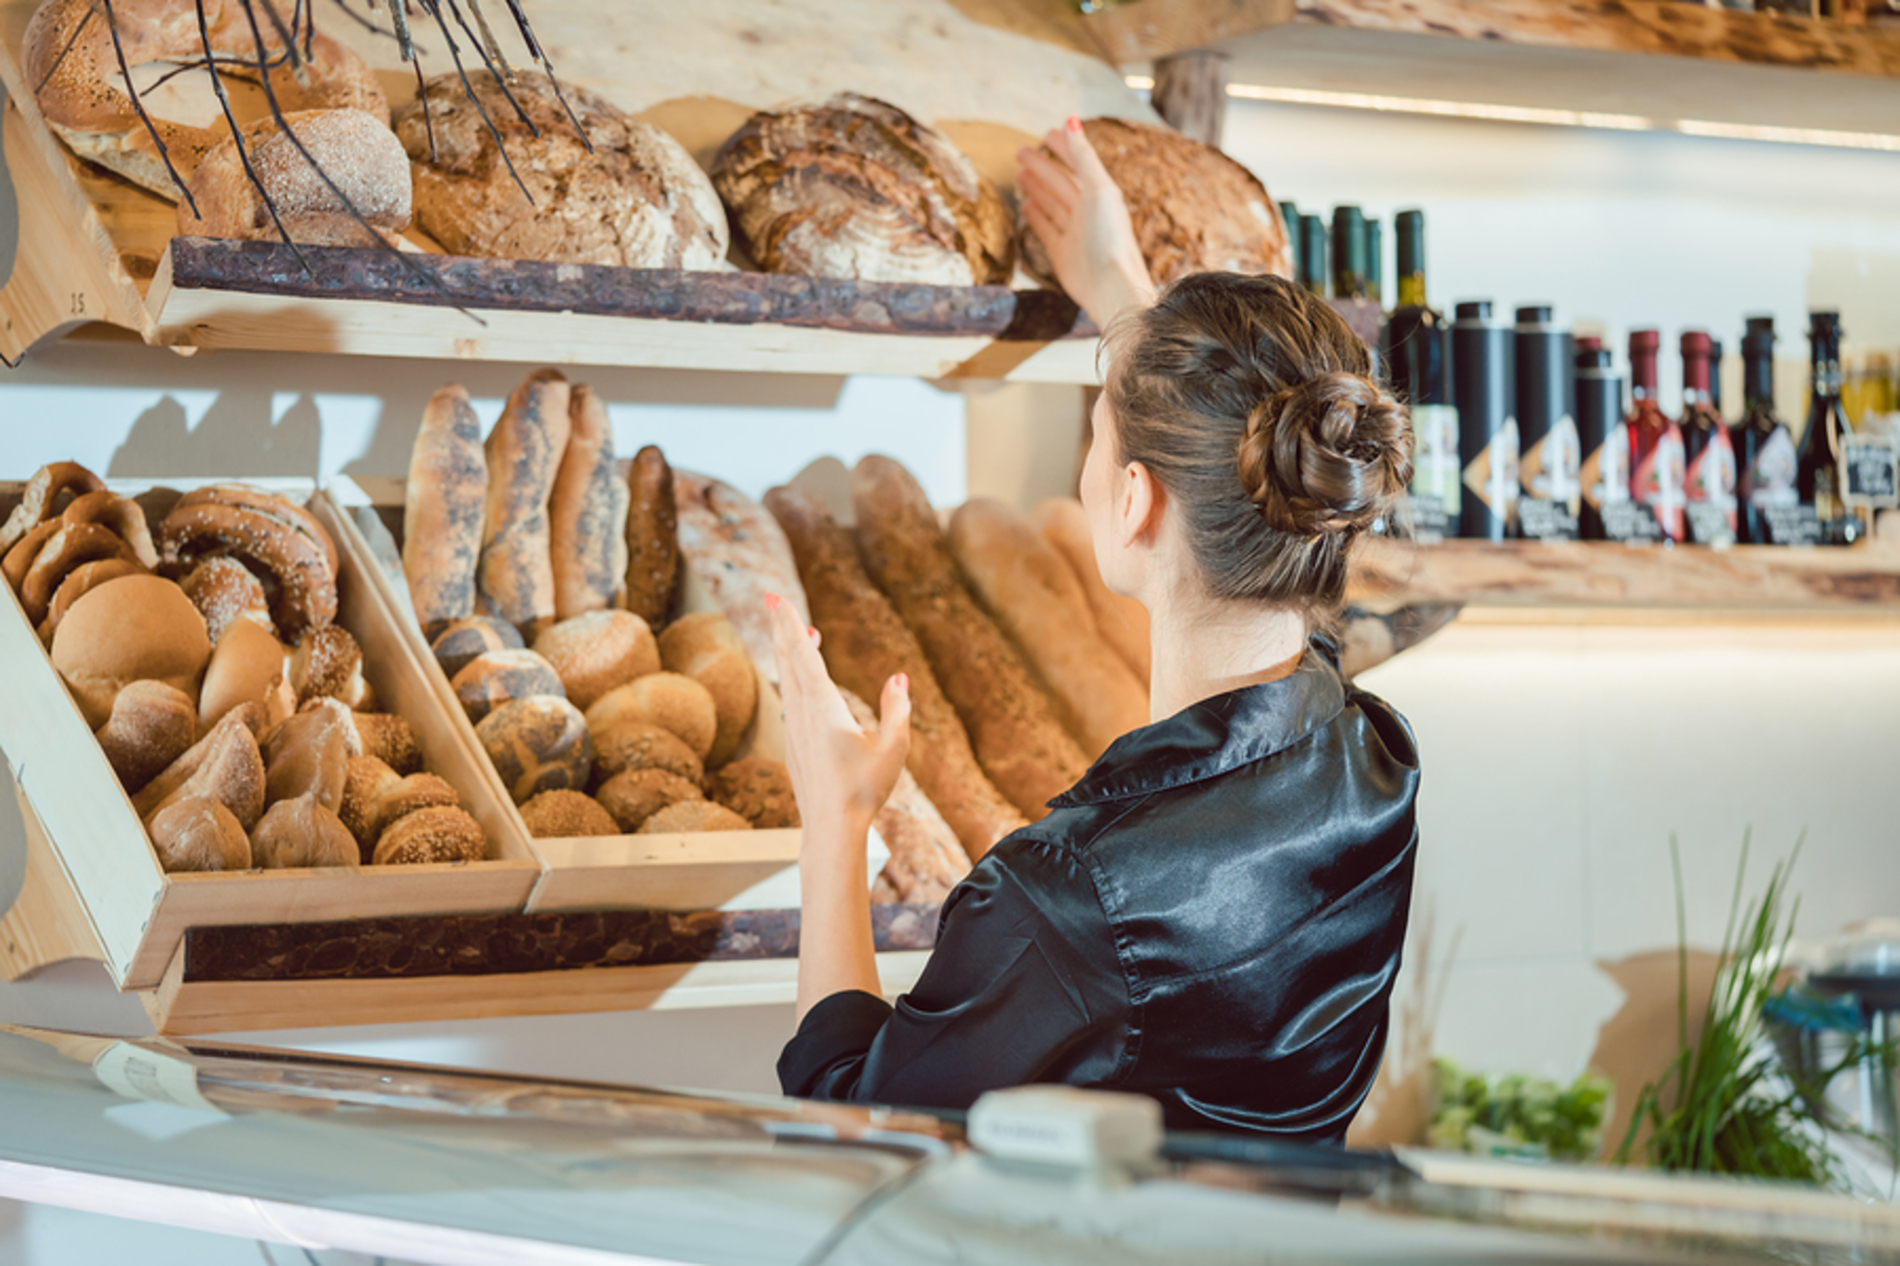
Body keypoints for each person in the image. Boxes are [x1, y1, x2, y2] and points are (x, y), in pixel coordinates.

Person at [765, 117, 1420, 1141]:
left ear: (1129, 502)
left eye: (1098, 433)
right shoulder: (1367, 759)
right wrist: (1119, 288)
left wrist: (835, 821)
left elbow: (856, 1128)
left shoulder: (1068, 899)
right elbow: (1239, 459)